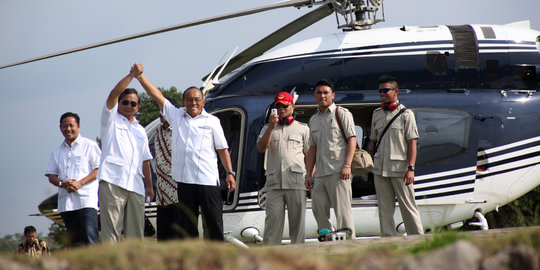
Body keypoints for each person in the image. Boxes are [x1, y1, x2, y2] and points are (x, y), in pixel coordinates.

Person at [133, 63, 236, 241]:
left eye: (197, 99)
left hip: (208, 180)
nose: (193, 103)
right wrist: (140, 77)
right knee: (187, 224)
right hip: (185, 181)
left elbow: (222, 149)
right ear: (183, 102)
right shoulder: (176, 115)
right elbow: (156, 95)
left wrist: (229, 173)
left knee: (213, 223)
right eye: (189, 99)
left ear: (203, 102)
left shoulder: (212, 121)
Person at [98, 65, 154, 242]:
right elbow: (113, 95)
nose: (129, 106)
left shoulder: (141, 130)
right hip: (113, 181)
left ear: (138, 107)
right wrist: (132, 76)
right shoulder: (110, 120)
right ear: (119, 104)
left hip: (136, 186)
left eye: (133, 103)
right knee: (111, 234)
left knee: (136, 236)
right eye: (125, 102)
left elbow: (146, 160)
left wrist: (149, 186)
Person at [368, 75, 424, 237]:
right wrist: (368, 166)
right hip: (379, 169)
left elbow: (412, 143)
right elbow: (373, 142)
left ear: (396, 91)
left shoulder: (407, 114)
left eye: (385, 90)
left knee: (408, 206)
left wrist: (411, 168)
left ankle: (417, 238)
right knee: (384, 208)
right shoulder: (376, 114)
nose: (382, 93)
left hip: (400, 169)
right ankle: (388, 239)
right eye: (380, 91)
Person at [305, 79, 357, 238]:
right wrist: (308, 173)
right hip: (320, 173)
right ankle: (328, 240)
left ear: (333, 95)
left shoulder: (342, 113)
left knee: (343, 212)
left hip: (339, 171)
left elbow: (352, 140)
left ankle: (349, 244)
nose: (322, 95)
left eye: (326, 92)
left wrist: (347, 165)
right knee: (318, 208)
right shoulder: (313, 119)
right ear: (314, 96)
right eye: (319, 92)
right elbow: (312, 148)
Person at [257, 92, 310, 245]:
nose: (281, 109)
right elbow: (261, 148)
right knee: (272, 227)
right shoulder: (267, 128)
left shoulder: (303, 128)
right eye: (278, 106)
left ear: (292, 107)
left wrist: (310, 176)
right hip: (274, 184)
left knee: (297, 227)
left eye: (285, 106)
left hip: (296, 182)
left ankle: (299, 260)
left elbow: (309, 155)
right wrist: (271, 127)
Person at [45, 112, 101, 246]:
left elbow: (99, 169)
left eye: (71, 125)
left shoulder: (90, 145)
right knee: (75, 243)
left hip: (86, 201)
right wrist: (62, 183)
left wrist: (80, 183)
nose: (68, 129)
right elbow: (51, 176)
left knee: (90, 237)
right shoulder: (57, 151)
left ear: (79, 126)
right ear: (60, 128)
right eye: (65, 126)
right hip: (66, 204)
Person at [154, 98, 181, 241]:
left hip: (178, 189)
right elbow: (157, 158)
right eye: (160, 110)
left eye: (164, 110)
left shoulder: (180, 127)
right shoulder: (158, 130)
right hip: (162, 191)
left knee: (178, 235)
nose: (161, 113)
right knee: (164, 237)